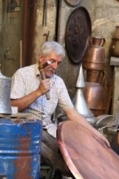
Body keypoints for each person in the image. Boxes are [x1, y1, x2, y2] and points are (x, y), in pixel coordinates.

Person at [11, 41, 109, 171]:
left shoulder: (58, 83)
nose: (55, 67)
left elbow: (71, 113)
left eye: (59, 63)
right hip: (25, 129)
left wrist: (96, 134)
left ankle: (78, 174)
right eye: (52, 61)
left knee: (69, 148)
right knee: (44, 148)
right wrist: (38, 92)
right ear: (41, 58)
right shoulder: (22, 75)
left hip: (48, 129)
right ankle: (67, 173)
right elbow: (12, 107)